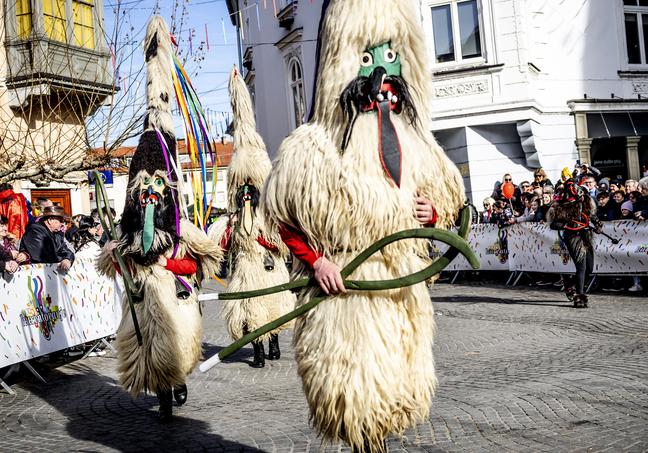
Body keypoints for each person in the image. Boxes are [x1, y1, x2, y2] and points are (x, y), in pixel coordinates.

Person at [262, 2, 466, 450]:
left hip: (403, 292)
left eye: (390, 59)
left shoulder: (417, 142)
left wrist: (431, 214)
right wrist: (317, 263)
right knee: (358, 404)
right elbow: (283, 218)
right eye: (369, 60)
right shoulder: (315, 146)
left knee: (395, 397)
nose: (381, 77)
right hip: (348, 295)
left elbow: (448, 203)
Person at [97, 16, 222, 422]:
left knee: (175, 345)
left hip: (172, 295)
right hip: (142, 301)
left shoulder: (179, 228)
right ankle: (163, 389)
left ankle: (175, 380)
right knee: (147, 349)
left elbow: (201, 261)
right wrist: (120, 255)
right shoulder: (127, 229)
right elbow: (111, 264)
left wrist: (169, 263)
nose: (150, 195)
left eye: (156, 188)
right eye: (143, 189)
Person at [214, 67, 296, 369]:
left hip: (267, 266)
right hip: (246, 270)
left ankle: (273, 343)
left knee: (272, 307)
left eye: (252, 189)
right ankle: (259, 350)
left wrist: (261, 236)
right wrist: (232, 231)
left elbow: (281, 244)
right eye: (244, 190)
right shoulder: (234, 218)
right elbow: (221, 245)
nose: (247, 193)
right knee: (250, 312)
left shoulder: (270, 217)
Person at [548, 180, 602, 308]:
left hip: (586, 236)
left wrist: (598, 224)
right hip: (573, 238)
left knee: (589, 267)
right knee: (581, 266)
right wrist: (567, 225)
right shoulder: (560, 205)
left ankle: (569, 282)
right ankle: (579, 296)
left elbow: (591, 216)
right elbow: (554, 224)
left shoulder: (586, 201)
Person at [19, 205, 75, 270]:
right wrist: (62, 259)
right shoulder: (35, 230)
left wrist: (67, 260)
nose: (62, 224)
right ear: (50, 220)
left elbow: (68, 251)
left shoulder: (57, 234)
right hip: (35, 274)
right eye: (60, 221)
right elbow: (42, 256)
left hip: (50, 273)